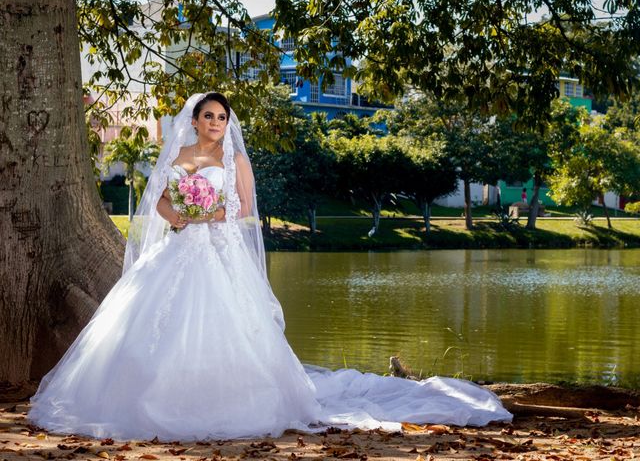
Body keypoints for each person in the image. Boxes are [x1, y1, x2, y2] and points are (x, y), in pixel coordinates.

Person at [29, 93, 512, 441]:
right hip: (179, 248)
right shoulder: (178, 155)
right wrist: (179, 216)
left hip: (218, 249)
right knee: (151, 322)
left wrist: (207, 214)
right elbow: (159, 202)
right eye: (209, 116)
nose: (216, 122)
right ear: (194, 120)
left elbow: (241, 208)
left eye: (222, 117)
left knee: (231, 326)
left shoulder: (234, 157)